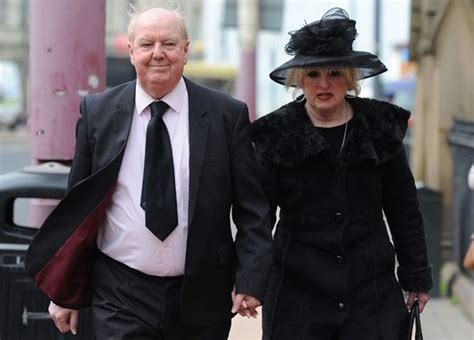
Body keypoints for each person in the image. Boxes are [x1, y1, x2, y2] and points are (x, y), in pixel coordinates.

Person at [25, 6, 272, 340]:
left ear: (185, 51)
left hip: (203, 293)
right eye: (146, 44)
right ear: (131, 52)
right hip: (121, 292)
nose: (158, 54)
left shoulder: (226, 115)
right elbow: (79, 212)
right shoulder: (98, 113)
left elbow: (252, 210)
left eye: (169, 44)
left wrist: (250, 279)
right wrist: (65, 292)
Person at [251, 8, 433, 340]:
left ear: (349, 77)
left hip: (371, 295)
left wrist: (416, 277)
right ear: (299, 79)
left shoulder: (381, 127)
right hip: (297, 296)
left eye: (334, 72)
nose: (324, 83)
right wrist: (248, 281)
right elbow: (257, 216)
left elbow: (404, 208)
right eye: (312, 74)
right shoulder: (276, 133)